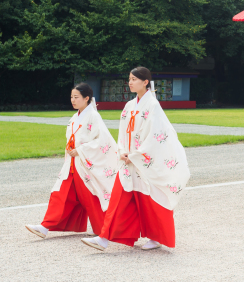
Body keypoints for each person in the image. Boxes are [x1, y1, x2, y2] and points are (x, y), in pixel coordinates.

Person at [82, 67, 190, 251]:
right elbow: (123, 132)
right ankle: (104, 237)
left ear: (145, 82)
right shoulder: (129, 106)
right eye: (129, 79)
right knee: (118, 197)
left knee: (151, 199)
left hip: (143, 160)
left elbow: (157, 135)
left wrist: (136, 155)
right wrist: (122, 150)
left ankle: (156, 237)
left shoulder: (153, 106)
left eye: (134, 79)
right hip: (128, 159)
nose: (130, 82)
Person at [26, 83, 119, 240]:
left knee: (91, 197)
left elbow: (102, 140)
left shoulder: (93, 116)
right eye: (71, 97)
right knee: (60, 194)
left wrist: (81, 151)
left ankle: (104, 229)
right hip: (72, 162)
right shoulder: (76, 116)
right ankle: (45, 226)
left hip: (83, 163)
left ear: (86, 98)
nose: (73, 100)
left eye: (76, 97)